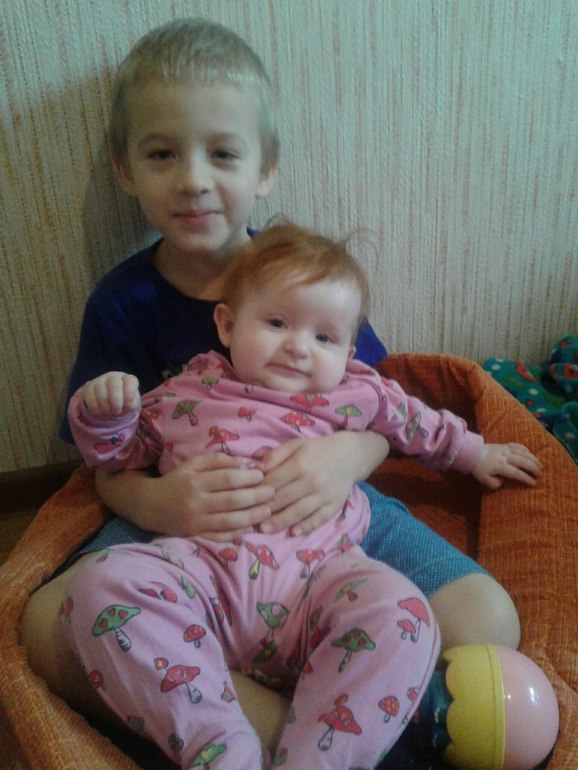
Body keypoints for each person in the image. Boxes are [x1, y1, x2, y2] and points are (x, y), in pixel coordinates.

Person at [20, 17, 533, 758]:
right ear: (125, 171)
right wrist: (159, 503)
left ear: (265, 169)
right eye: (162, 154)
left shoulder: (306, 275)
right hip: (188, 528)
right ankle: (267, 728)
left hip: (324, 514)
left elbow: (382, 406)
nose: (194, 179)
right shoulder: (122, 303)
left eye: (223, 153)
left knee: (488, 621)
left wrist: (345, 459)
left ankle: (307, 705)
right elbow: (108, 458)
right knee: (49, 625)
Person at [64, 223, 541, 770]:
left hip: (321, 584)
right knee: (100, 585)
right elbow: (119, 456)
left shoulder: (356, 389)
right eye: (276, 323)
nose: (297, 347)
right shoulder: (183, 393)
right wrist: (105, 415)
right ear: (227, 325)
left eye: (324, 338)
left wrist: (476, 453)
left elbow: (416, 422)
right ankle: (221, 751)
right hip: (203, 578)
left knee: (403, 614)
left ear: (349, 352)